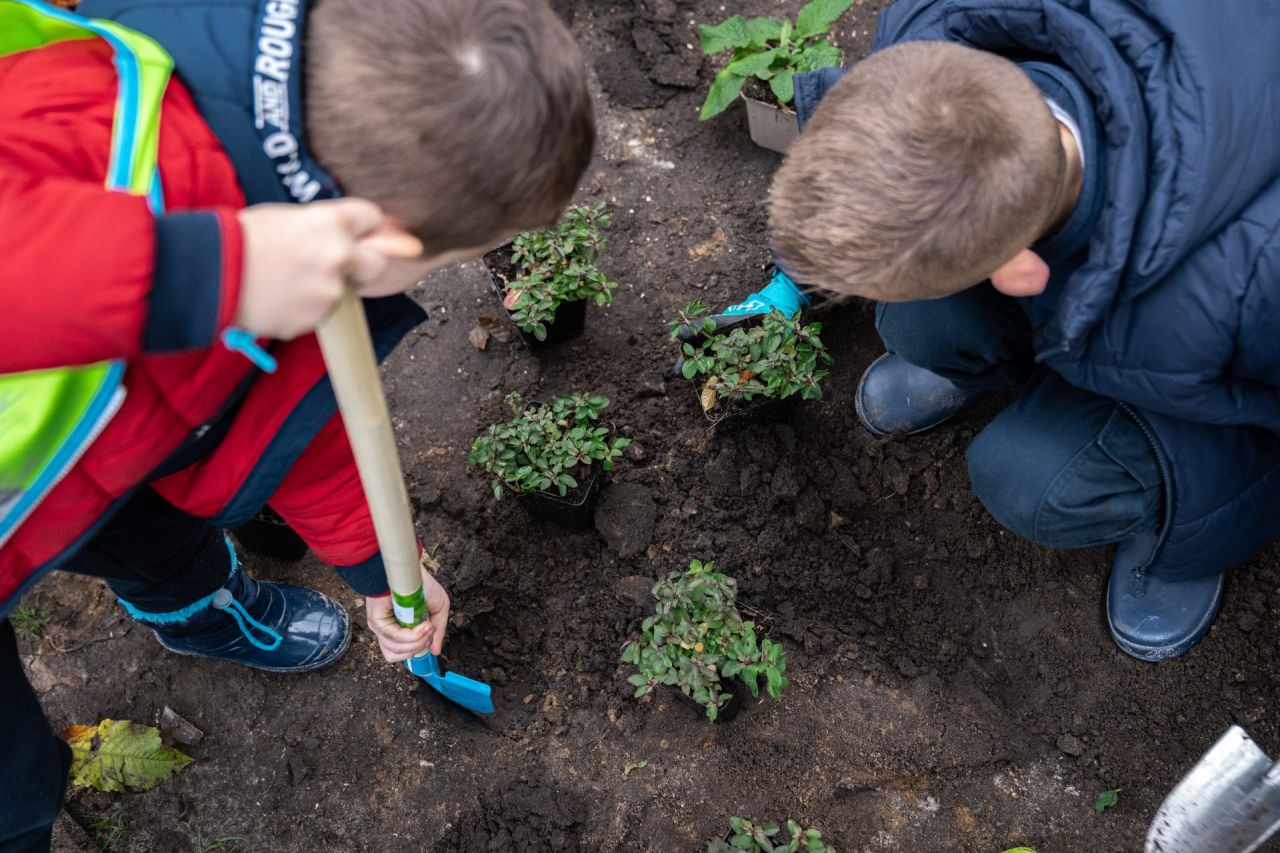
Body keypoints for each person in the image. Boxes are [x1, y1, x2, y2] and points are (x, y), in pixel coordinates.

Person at [0, 0, 594, 847]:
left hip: (104, 458)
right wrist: (208, 273)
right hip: (26, 494)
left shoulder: (293, 222)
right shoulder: (96, 132)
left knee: (152, 546)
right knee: (18, 791)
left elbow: (299, 427)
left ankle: (201, 610)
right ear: (387, 245)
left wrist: (380, 572)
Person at [695, 0, 1280, 663]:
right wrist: (794, 279)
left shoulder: (1247, 287)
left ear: (1019, 272)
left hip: (1196, 351)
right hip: (1116, 287)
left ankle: (1178, 521)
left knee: (1029, 482)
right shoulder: (941, 25)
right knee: (917, 320)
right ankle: (990, 360)